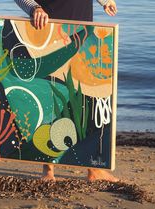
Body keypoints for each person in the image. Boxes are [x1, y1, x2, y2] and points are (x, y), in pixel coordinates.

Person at [14, 0, 118, 182]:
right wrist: (34, 8)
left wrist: (105, 1)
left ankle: (93, 170)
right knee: (51, 97)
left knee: (87, 100)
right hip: (50, 29)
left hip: (83, 30)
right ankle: (48, 170)